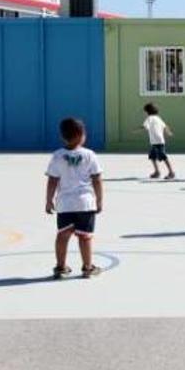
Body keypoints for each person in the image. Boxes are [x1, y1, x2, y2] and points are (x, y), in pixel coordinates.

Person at [45, 118, 104, 279]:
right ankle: (87, 267)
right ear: (80, 135)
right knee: (85, 236)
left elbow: (52, 180)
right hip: (85, 203)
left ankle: (61, 266)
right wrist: (99, 200)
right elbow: (97, 179)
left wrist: (49, 200)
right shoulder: (89, 155)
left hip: (65, 204)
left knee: (63, 235)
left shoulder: (57, 156)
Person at [140, 103, 175, 179]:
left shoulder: (149, 118)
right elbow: (165, 126)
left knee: (163, 156)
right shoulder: (158, 118)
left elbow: (144, 126)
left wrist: (136, 130)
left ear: (147, 111)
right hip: (158, 141)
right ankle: (157, 172)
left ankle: (171, 172)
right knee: (152, 156)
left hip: (157, 141)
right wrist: (169, 132)